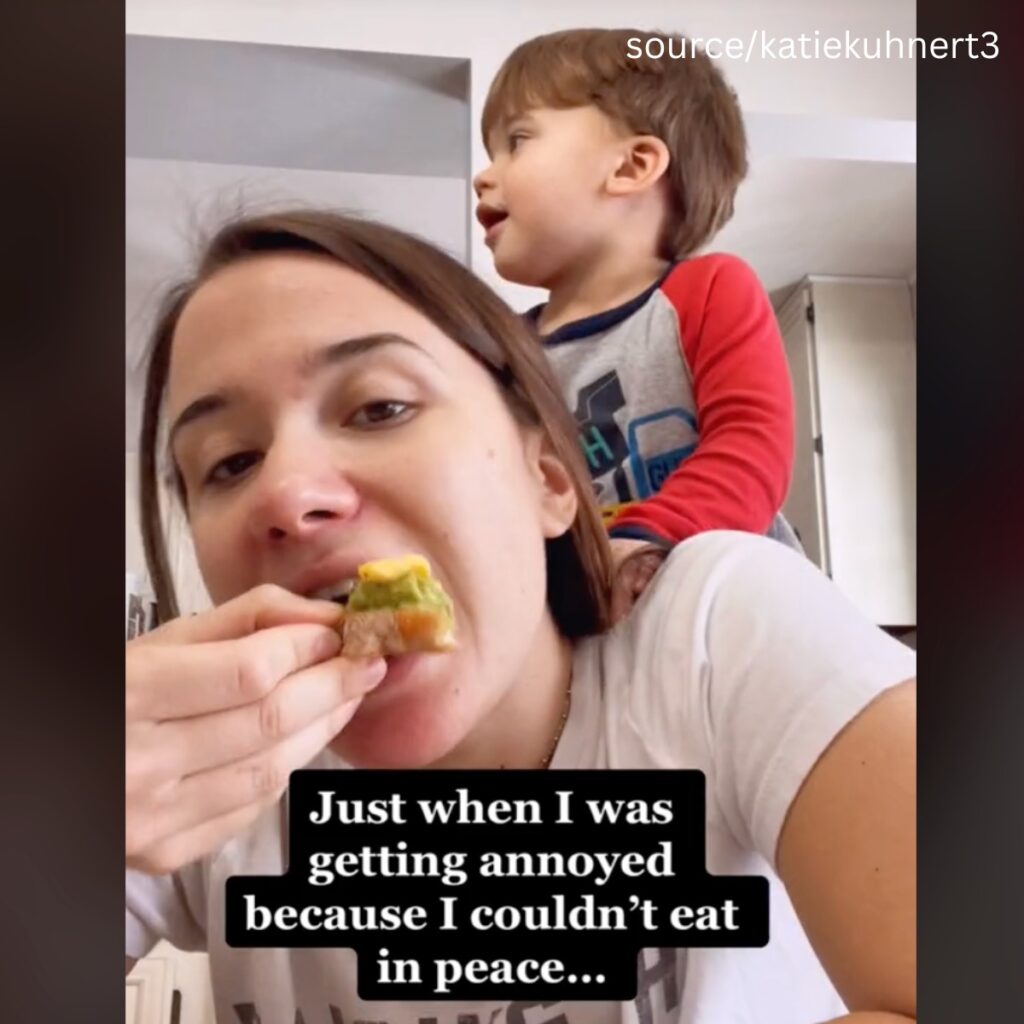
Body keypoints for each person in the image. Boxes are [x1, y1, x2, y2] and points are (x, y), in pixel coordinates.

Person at [125, 210, 916, 1024]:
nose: (286, 496)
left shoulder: (718, 632)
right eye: (229, 462)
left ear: (547, 477)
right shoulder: (192, 772)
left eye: (380, 408)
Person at [474, 29, 801, 613]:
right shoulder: (501, 352)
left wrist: (645, 540)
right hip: (592, 631)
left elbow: (750, 448)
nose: (485, 175)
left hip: (742, 609)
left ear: (632, 165)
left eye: (516, 141)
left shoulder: (708, 291)